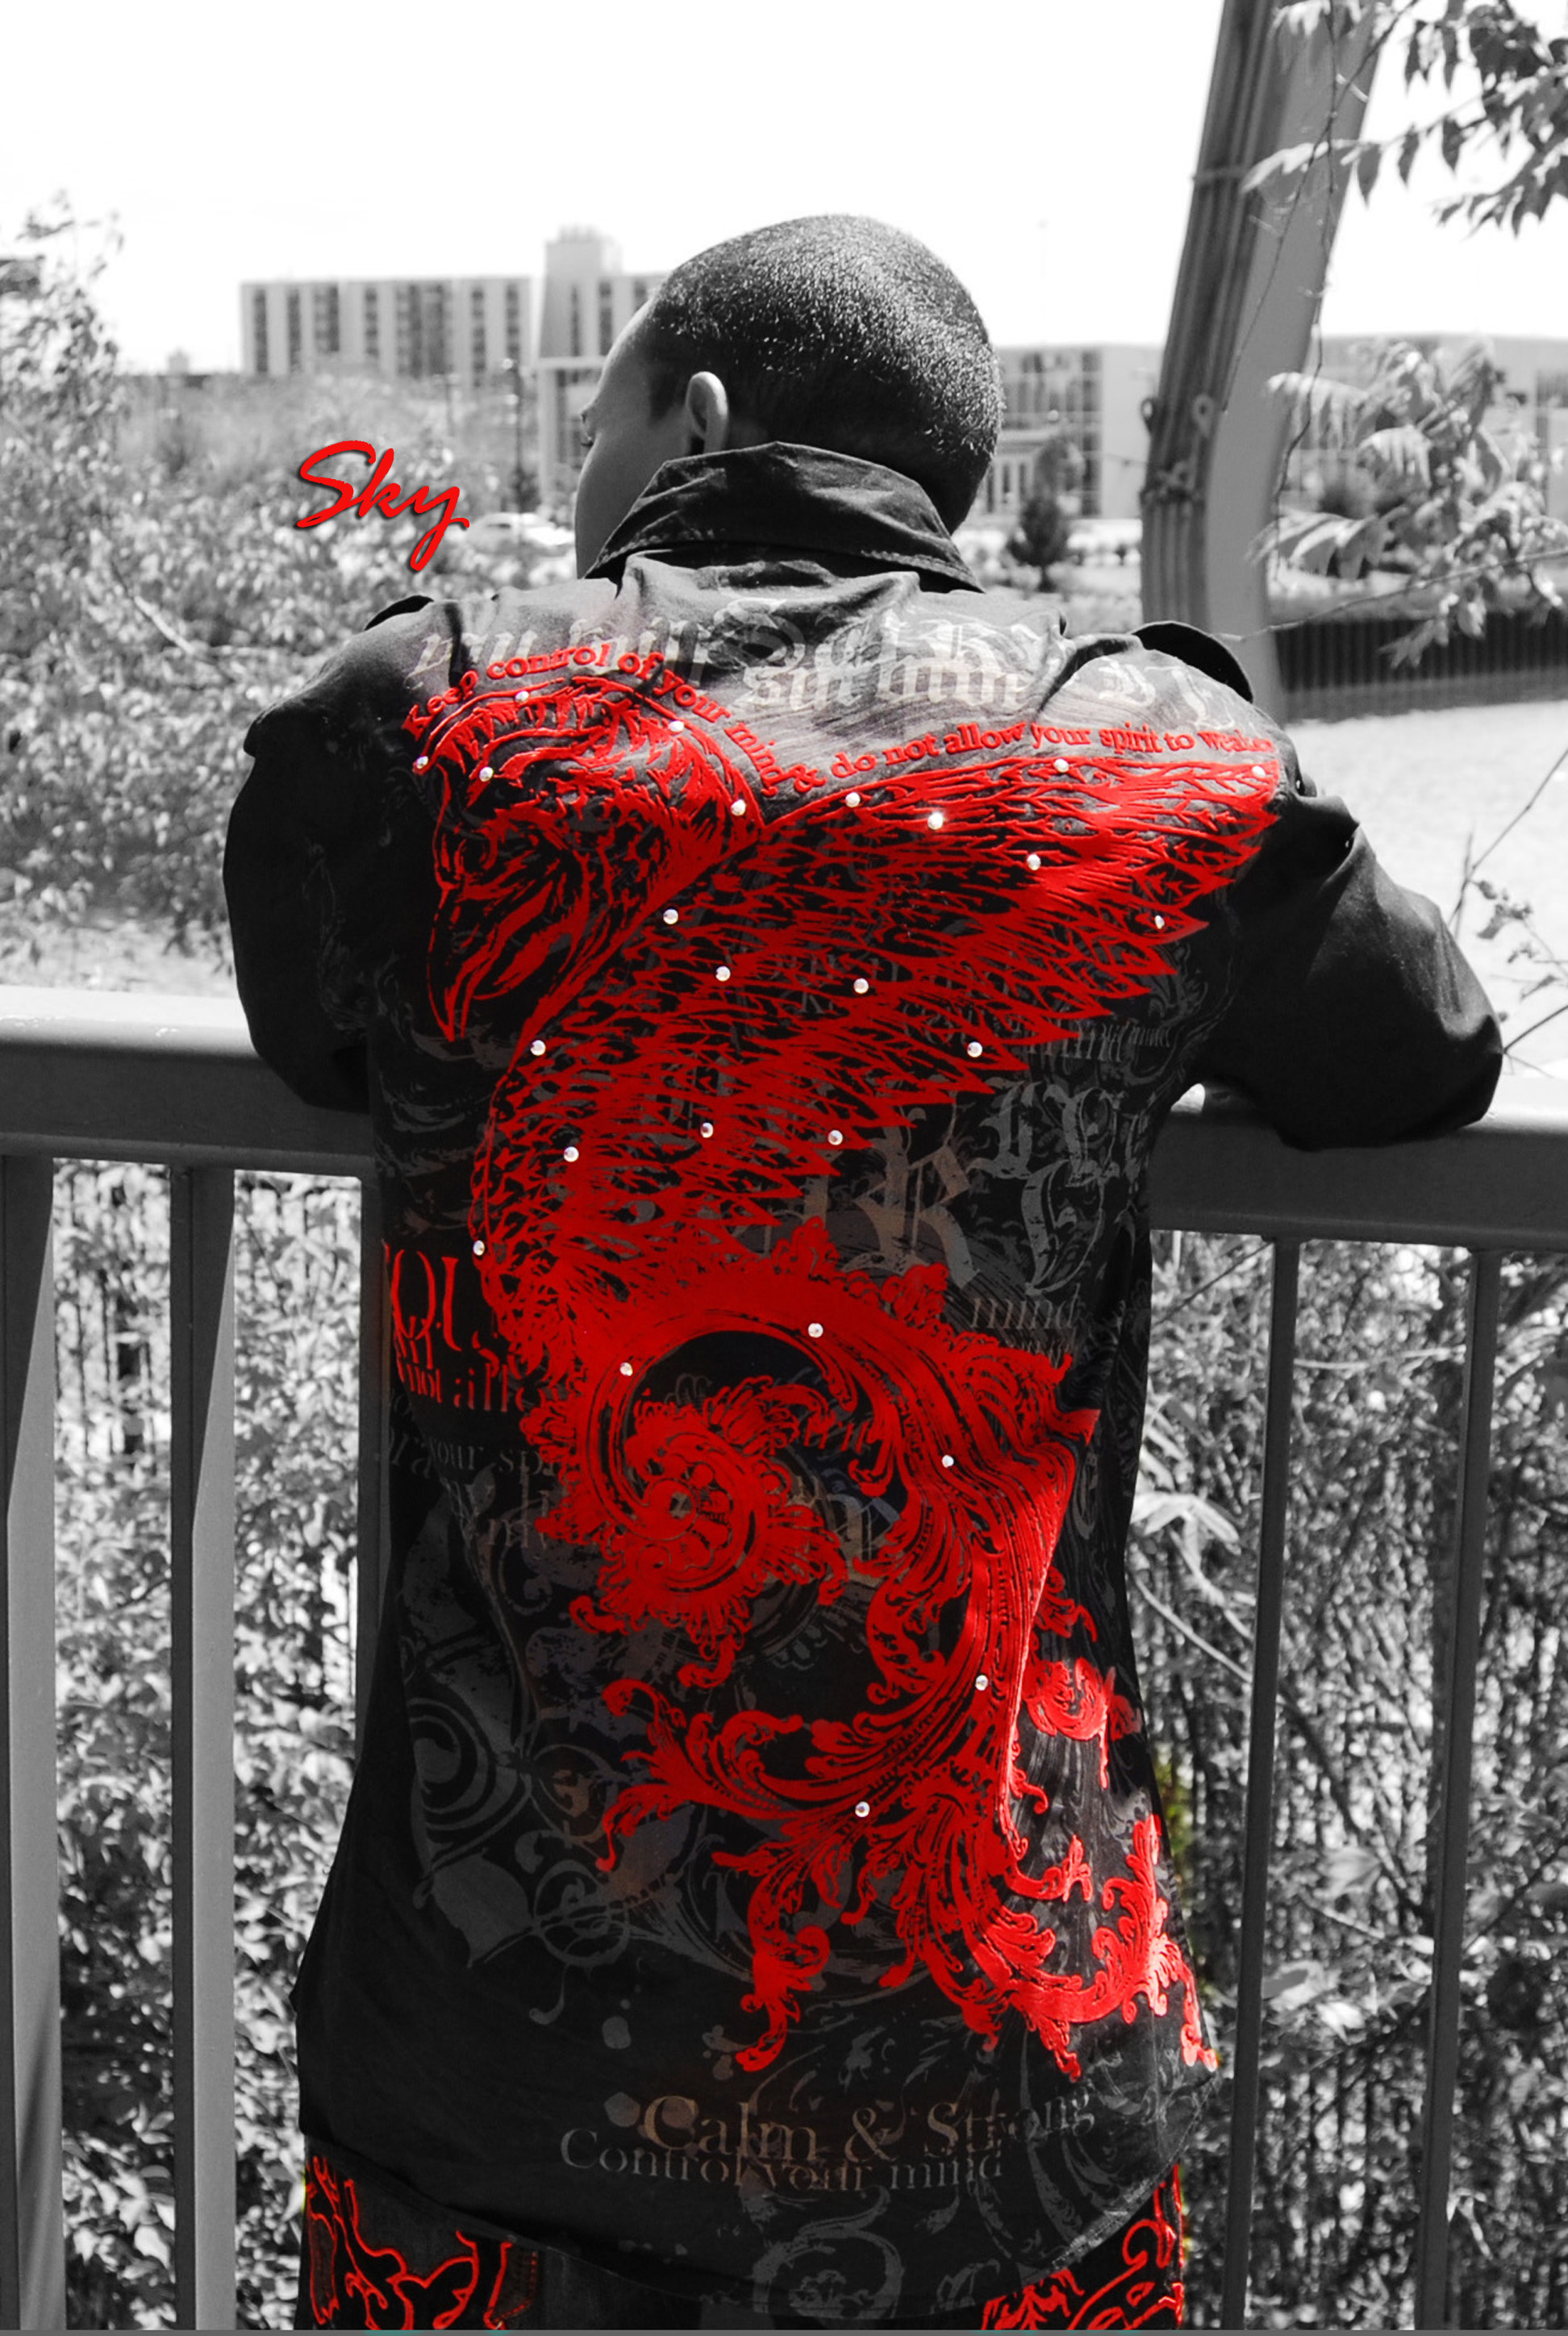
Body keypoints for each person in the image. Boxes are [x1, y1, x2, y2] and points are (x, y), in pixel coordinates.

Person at [225, 215, 1499, 2331]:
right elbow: (1422, 1051)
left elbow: (307, 1021)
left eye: (598, 429)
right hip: (991, 2107)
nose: (577, 485)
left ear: (697, 423)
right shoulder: (1150, 752)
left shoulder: (426, 713)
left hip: (487, 2092)